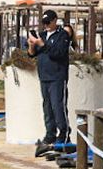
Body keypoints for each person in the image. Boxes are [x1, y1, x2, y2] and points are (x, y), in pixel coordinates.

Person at [26, 10, 71, 156]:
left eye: (48, 22)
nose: (45, 26)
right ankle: (50, 134)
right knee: (47, 107)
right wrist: (32, 45)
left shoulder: (62, 35)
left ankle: (63, 135)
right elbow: (32, 54)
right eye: (43, 23)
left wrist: (42, 44)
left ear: (54, 21)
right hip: (44, 77)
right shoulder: (42, 35)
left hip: (57, 77)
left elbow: (58, 53)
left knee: (58, 107)